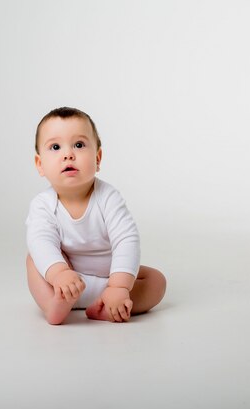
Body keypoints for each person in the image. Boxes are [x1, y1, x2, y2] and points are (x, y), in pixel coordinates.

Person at [26, 107, 167, 325]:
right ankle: (54, 305)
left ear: (98, 158)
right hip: (65, 282)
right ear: (40, 164)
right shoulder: (42, 205)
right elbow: (41, 241)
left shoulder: (108, 197)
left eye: (79, 145)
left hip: (109, 277)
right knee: (33, 258)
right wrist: (59, 274)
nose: (68, 154)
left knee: (156, 281)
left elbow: (126, 240)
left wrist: (119, 286)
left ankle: (109, 303)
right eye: (55, 147)